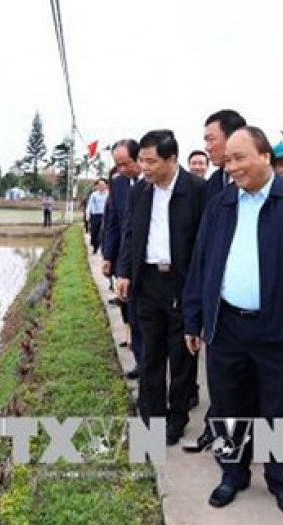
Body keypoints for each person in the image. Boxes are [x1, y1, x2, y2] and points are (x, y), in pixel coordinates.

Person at [183, 126, 283, 516]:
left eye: (239, 157)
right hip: (226, 324)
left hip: (279, 327)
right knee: (229, 402)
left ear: (265, 156)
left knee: (281, 407)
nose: (231, 167)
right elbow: (202, 263)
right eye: (228, 159)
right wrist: (193, 318)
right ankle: (233, 473)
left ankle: (280, 478)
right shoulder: (221, 204)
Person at [116, 129, 206, 445]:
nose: (145, 167)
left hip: (182, 284)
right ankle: (152, 416)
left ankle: (177, 416)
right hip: (148, 282)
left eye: (151, 161)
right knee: (150, 354)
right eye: (141, 160)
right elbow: (131, 233)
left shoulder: (197, 190)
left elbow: (205, 244)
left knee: (181, 357)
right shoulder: (141, 191)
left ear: (171, 159)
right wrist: (124, 271)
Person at [181, 109, 248, 455]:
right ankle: (221, 439)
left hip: (259, 312)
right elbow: (201, 250)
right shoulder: (212, 187)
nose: (206, 146)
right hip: (219, 304)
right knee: (222, 381)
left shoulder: (273, 194)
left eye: (211, 138)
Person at [102, 139, 144, 380]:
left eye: (124, 164)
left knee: (147, 317)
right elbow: (113, 224)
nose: (121, 169)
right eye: (117, 165)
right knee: (129, 310)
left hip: (148, 263)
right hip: (124, 261)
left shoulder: (153, 182)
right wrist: (109, 257)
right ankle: (140, 360)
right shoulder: (117, 185)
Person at [204, 109, 248, 201]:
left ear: (233, 137)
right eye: (206, 141)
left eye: (211, 140)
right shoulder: (214, 181)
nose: (207, 148)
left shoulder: (257, 179)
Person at [86, 179, 109, 254]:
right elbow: (90, 204)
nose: (101, 186)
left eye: (102, 185)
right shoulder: (94, 194)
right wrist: (88, 214)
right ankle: (94, 243)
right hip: (95, 215)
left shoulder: (108, 194)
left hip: (105, 215)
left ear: (106, 186)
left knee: (102, 232)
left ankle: (100, 246)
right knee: (94, 231)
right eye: (99, 185)